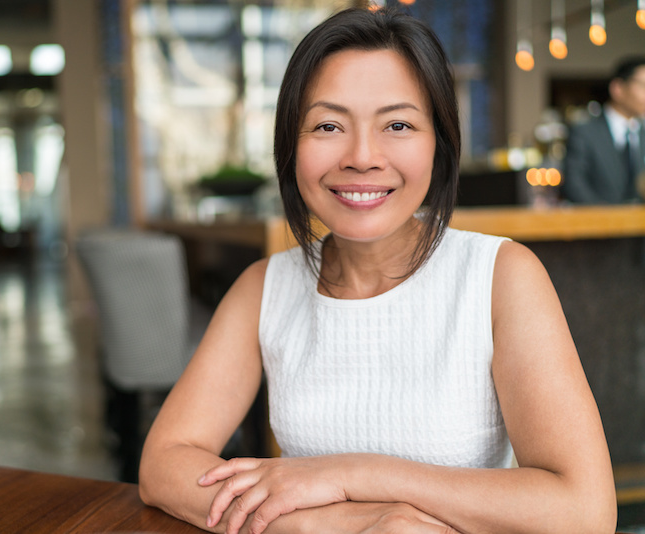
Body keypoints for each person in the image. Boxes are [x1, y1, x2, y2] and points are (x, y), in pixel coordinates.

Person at [139, 7, 617, 534]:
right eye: (327, 125)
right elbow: (164, 464)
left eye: (397, 124)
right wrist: (331, 523)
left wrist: (352, 475)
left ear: (439, 142)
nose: (362, 156)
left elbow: (582, 510)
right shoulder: (265, 287)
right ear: (289, 147)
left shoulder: (499, 276)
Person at [563, 56, 645, 204]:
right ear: (618, 89)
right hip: (600, 222)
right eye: (643, 86)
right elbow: (574, 185)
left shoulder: (642, 132)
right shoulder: (584, 132)